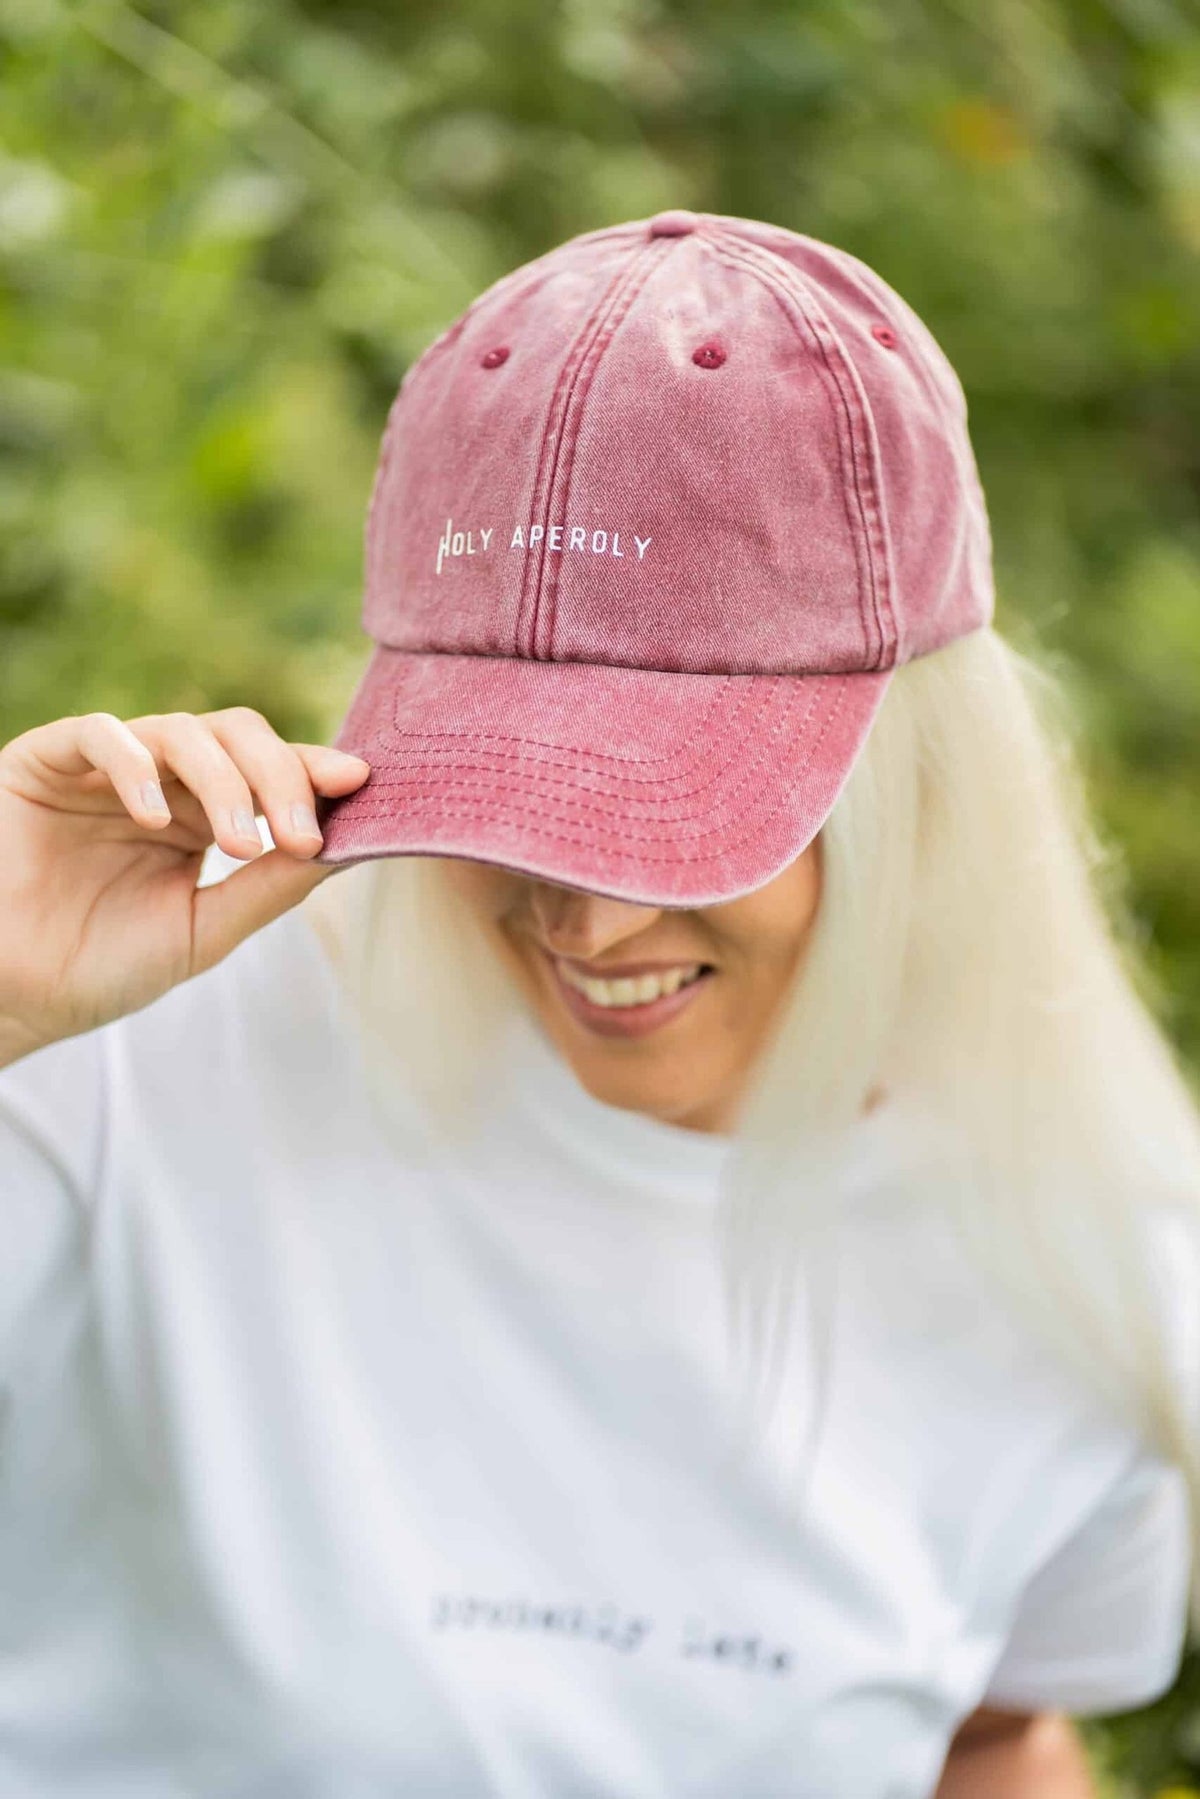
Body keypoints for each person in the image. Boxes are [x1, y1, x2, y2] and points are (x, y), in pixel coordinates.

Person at [1, 210, 1198, 1799]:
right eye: (516, 797)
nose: (591, 915)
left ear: (921, 785)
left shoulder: (1089, 1246)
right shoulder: (137, 1056)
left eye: (692, 820)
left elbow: (991, 1738)